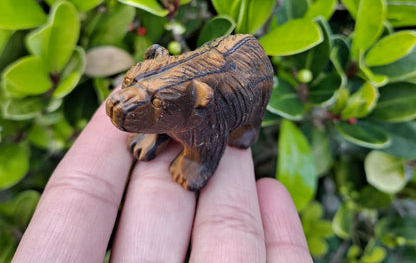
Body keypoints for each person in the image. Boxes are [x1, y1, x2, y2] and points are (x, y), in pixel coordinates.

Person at [12, 99, 313, 262]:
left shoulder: (201, 108)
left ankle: (228, 134)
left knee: (231, 132)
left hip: (228, 97)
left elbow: (207, 131)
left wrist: (195, 161)